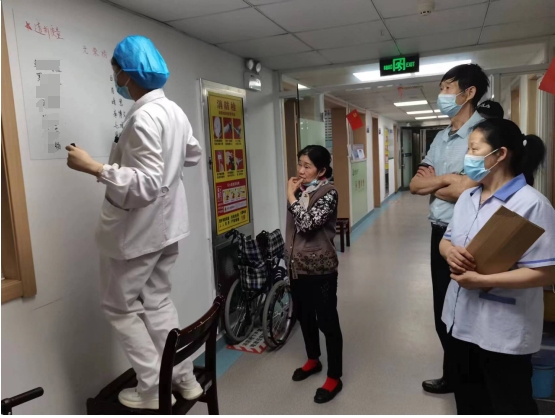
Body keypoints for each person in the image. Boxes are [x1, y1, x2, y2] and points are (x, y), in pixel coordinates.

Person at [66, 35, 203, 410]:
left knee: (119, 308)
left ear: (126, 74)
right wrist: (169, 163)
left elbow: (146, 186)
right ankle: (185, 378)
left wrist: (94, 167)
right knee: (157, 302)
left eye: (115, 72)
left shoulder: (143, 118)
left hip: (138, 234)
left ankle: (151, 389)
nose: (116, 80)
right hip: (167, 229)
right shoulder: (173, 111)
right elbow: (192, 154)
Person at [440, 118, 555, 414]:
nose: (468, 156)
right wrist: (450, 253)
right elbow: (446, 240)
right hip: (461, 321)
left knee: (508, 403)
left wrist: (481, 281)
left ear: (500, 154)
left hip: (503, 329)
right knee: (469, 401)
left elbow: (546, 272)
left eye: (474, 149)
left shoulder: (531, 204)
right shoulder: (467, 198)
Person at [409, 63, 490, 394]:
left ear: (468, 93)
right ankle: (454, 375)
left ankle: (471, 381)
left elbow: (470, 189)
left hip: (472, 234)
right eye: (441, 88)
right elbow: (415, 185)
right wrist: (449, 179)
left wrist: (441, 184)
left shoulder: (484, 133)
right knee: (442, 308)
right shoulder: (441, 138)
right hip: (439, 231)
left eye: (447, 88)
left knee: (469, 308)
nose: (441, 95)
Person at [285, 145, 343, 404]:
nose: (300, 170)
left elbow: (307, 224)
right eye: (300, 164)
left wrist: (290, 196)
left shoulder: (328, 193)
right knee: (304, 316)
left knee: (327, 321)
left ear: (321, 171)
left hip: (320, 270)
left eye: (307, 166)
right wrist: (295, 195)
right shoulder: (301, 191)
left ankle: (334, 376)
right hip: (297, 268)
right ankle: (313, 359)